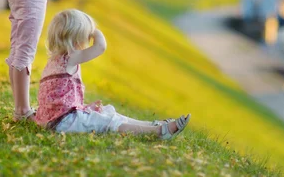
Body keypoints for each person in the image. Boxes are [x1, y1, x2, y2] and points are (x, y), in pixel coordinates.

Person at [35, 9, 191, 139]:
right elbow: (101, 47)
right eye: (85, 37)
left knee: (107, 113)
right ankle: (159, 132)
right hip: (63, 122)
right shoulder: (70, 59)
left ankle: (153, 125)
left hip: (57, 118)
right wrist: (94, 31)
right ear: (76, 39)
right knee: (107, 121)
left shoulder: (55, 60)